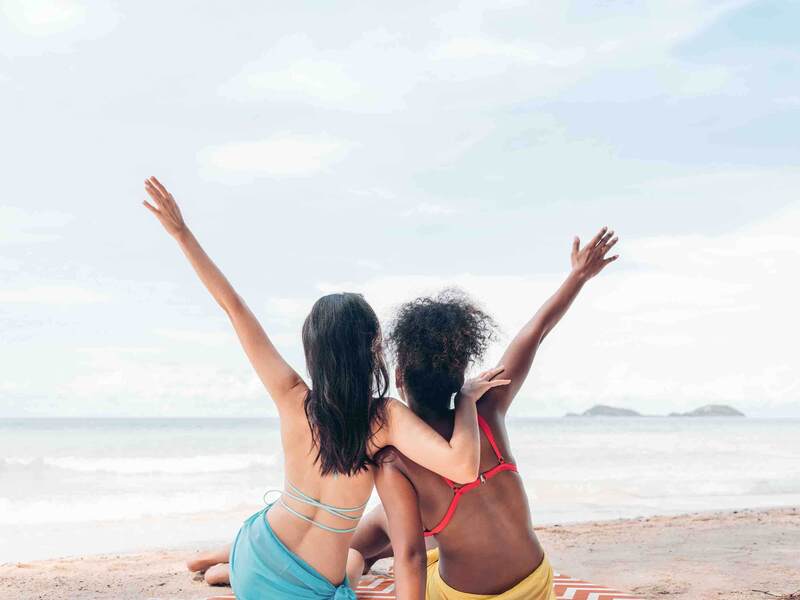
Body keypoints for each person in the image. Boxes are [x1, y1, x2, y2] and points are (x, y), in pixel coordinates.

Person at [142, 176, 511, 600]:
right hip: (308, 587)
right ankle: (216, 569)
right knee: (354, 561)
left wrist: (182, 234)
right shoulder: (385, 418)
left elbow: (234, 308)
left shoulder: (291, 395)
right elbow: (463, 467)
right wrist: (464, 399)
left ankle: (221, 566)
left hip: (258, 550)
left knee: (301, 550)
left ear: (313, 350)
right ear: (374, 348)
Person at [348, 227, 619, 600]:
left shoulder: (396, 459)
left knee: (382, 523)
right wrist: (578, 277)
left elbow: (409, 555)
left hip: (463, 596)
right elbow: (535, 332)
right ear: (461, 376)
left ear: (398, 378)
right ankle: (357, 558)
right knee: (410, 529)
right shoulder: (487, 412)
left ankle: (344, 558)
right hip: (537, 583)